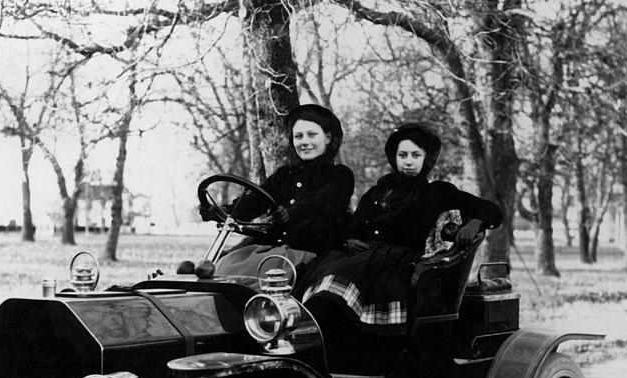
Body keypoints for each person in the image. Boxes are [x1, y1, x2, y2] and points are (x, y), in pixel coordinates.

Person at [299, 123, 502, 334]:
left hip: (396, 262)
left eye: (416, 155)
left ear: (427, 159)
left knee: (342, 277)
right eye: (402, 155)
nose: (408, 162)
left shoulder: (437, 192)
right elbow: (354, 226)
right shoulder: (377, 192)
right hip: (362, 255)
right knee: (322, 274)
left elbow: (492, 210)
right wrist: (347, 240)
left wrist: (476, 222)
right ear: (394, 158)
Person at [206, 103, 354, 277]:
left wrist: (290, 214)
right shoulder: (285, 174)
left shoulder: (339, 175)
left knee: (241, 274)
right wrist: (224, 211)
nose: (304, 142)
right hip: (272, 248)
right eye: (298, 136)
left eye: (312, 135)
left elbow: (321, 204)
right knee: (220, 265)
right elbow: (256, 200)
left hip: (309, 251)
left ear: (328, 138)